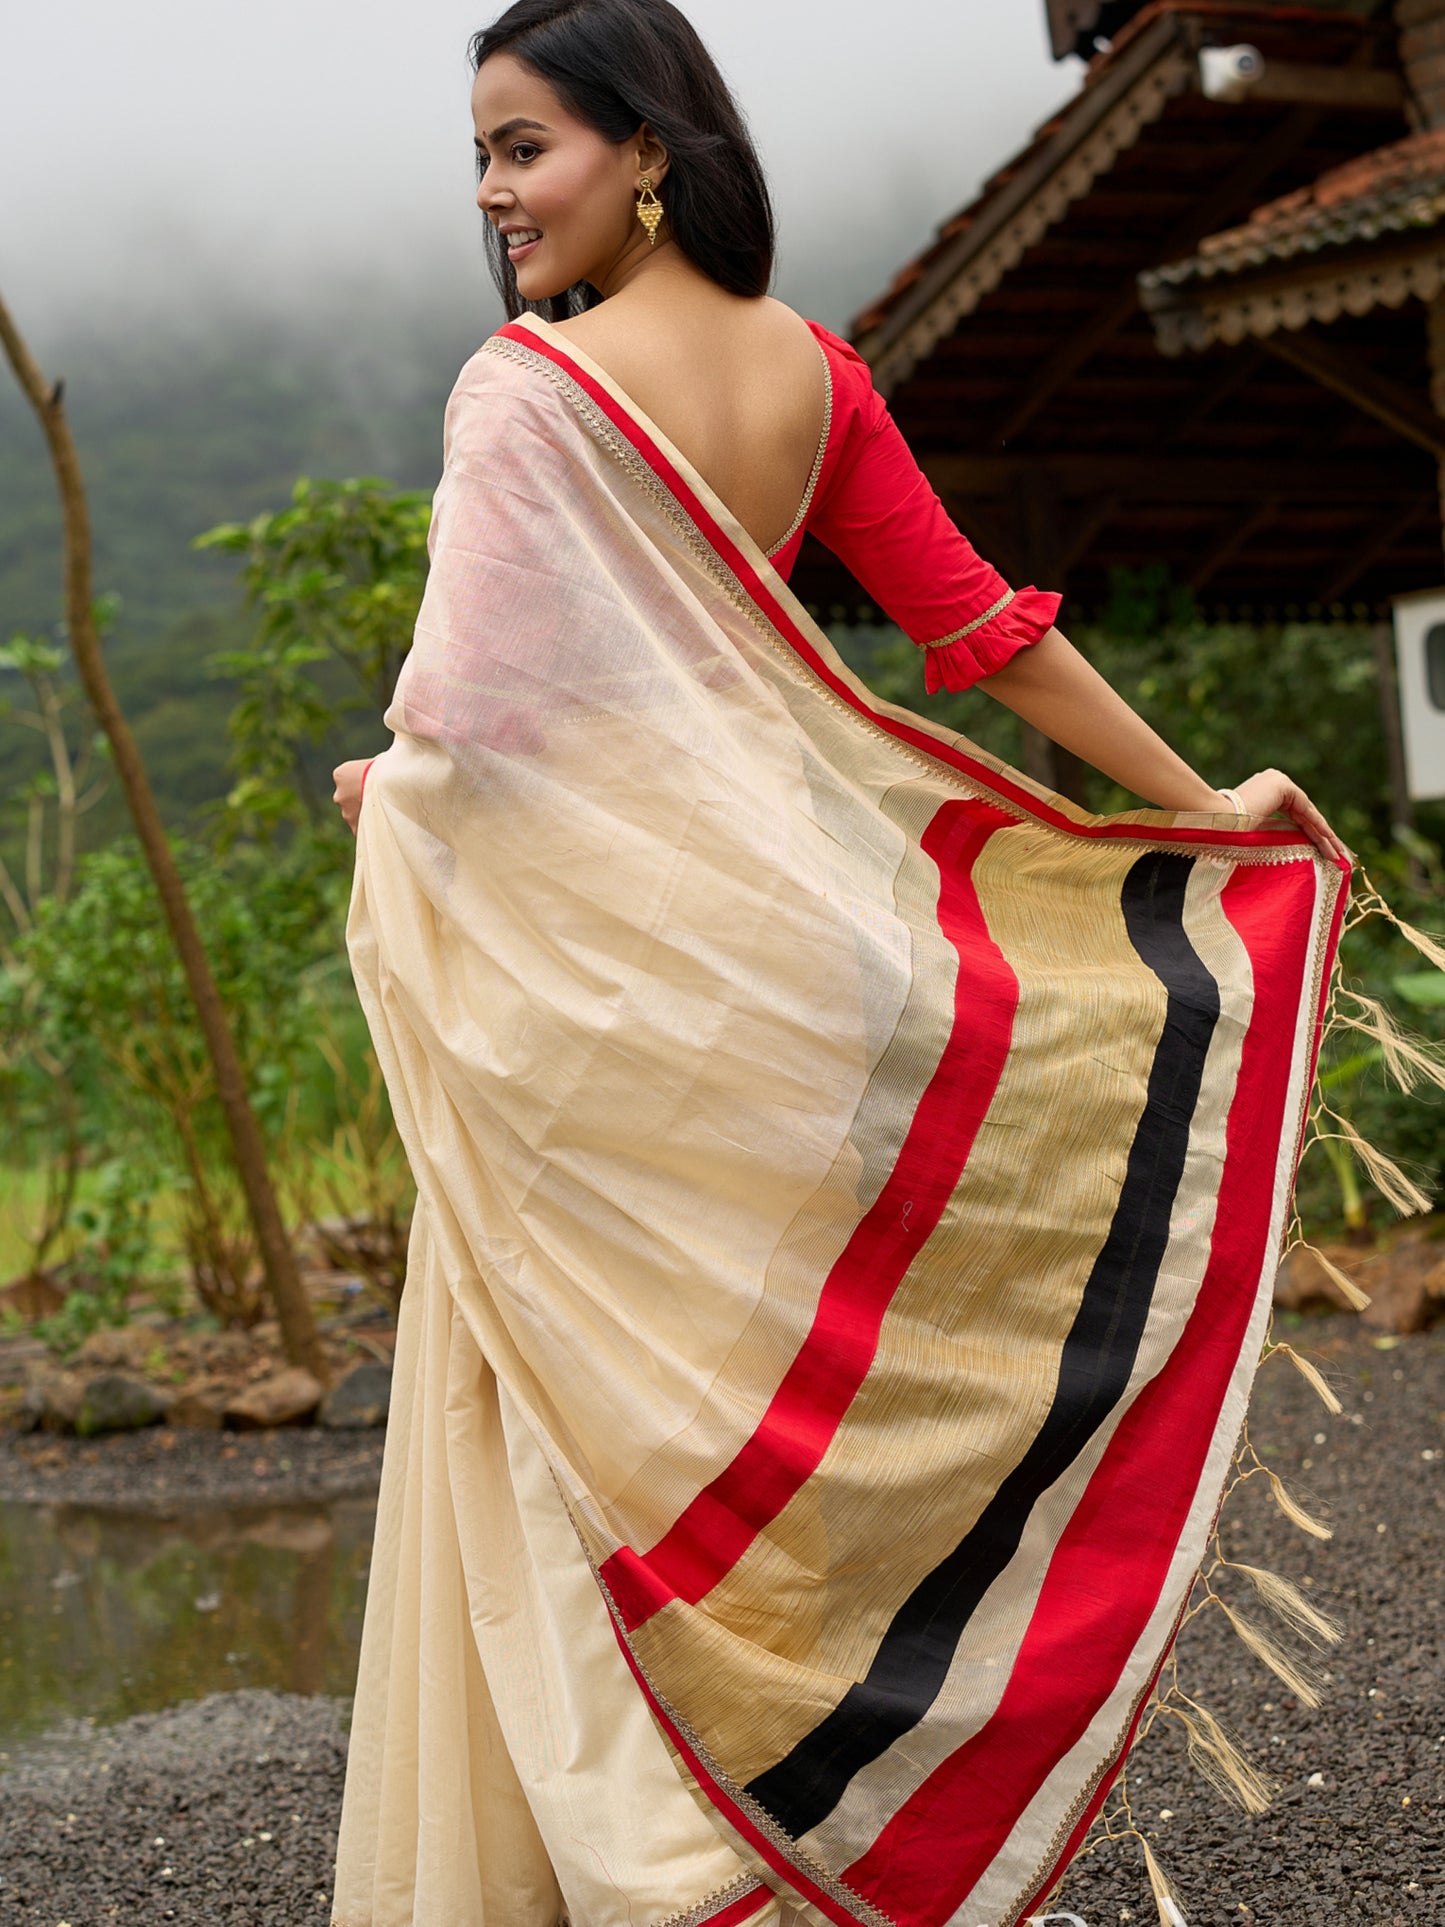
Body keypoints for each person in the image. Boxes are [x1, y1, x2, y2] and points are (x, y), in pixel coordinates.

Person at [329, 5, 1351, 1925]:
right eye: (476, 153)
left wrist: (392, 792)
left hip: (616, 1020)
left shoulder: (525, 395)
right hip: (808, 1002)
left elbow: (481, 735)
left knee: (582, 1437)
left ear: (648, 150)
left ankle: (639, 1877)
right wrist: (1202, 803)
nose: (491, 191)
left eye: (524, 144)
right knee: (776, 1429)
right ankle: (818, 1842)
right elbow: (983, 635)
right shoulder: (812, 374)